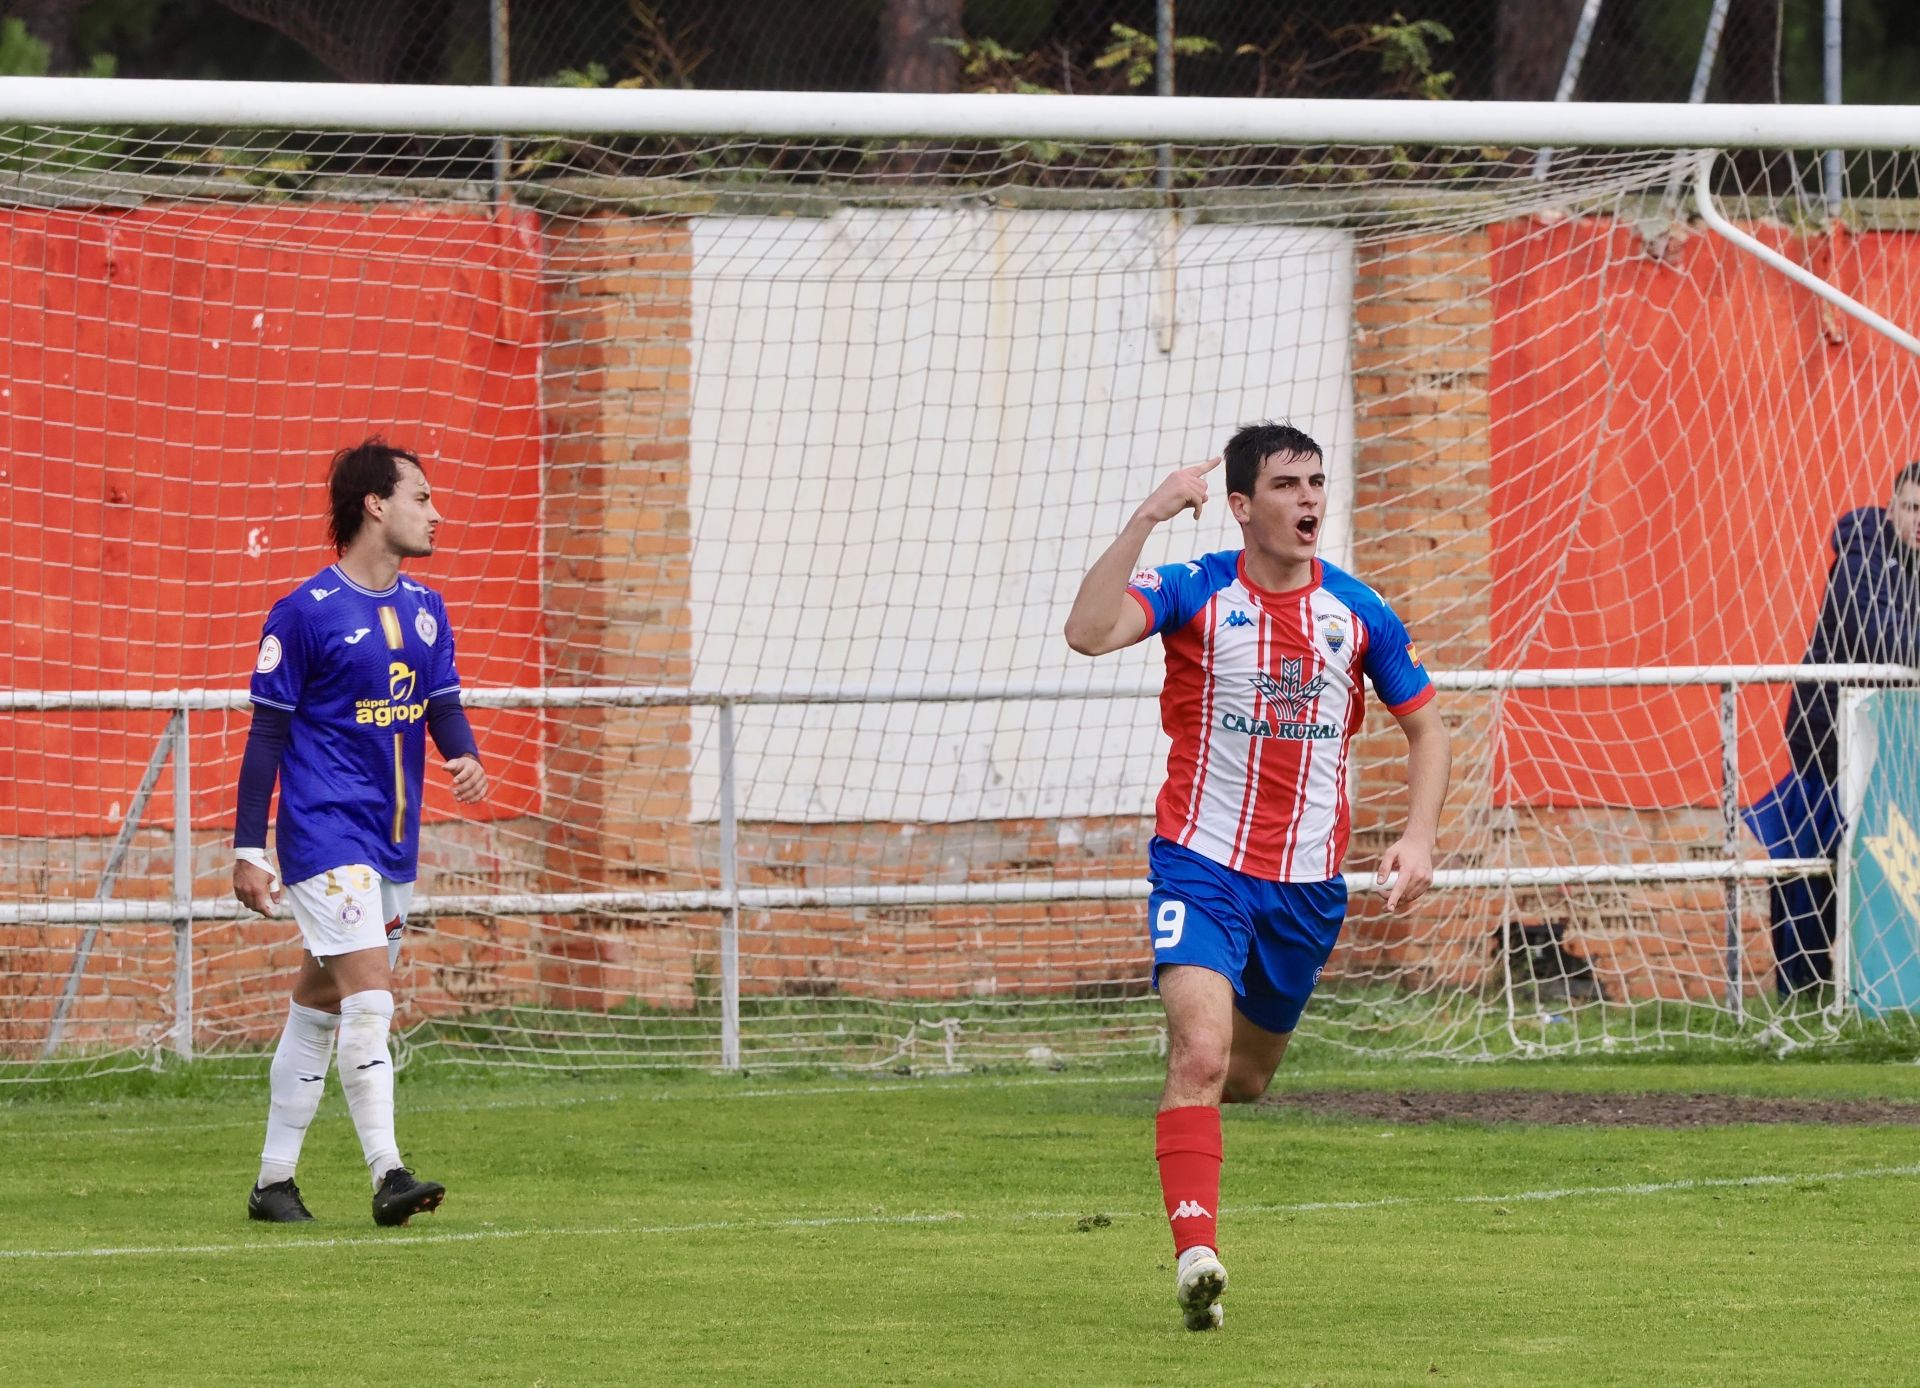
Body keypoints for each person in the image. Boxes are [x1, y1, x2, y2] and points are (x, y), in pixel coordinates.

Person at [1063, 421, 1450, 1332]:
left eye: (1317, 481)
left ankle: (1196, 1164)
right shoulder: (1194, 590)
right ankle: (1197, 1255)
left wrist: (1419, 837)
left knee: (1242, 1079)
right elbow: (1086, 632)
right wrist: (1148, 515)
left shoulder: (1358, 613)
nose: (1309, 498)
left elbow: (1429, 726)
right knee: (1198, 1055)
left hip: (1307, 890)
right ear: (1241, 506)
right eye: (1286, 485)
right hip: (1200, 868)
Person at [234, 438, 487, 1225]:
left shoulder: (425, 608)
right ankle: (389, 1174)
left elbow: (438, 698)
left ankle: (274, 1183)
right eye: (421, 497)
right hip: (323, 831)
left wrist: (464, 754)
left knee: (321, 1000)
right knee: (371, 999)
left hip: (393, 841)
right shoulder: (303, 614)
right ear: (375, 504)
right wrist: (247, 846)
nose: (435, 512)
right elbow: (267, 736)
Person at [1751, 462, 1920, 995]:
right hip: (1828, 741)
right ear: (1892, 507)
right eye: (1913, 508)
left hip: (1890, 743)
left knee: (1867, 864)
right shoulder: (1861, 559)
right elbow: (1887, 642)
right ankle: (1800, 987)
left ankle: (1853, 984)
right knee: (1813, 868)